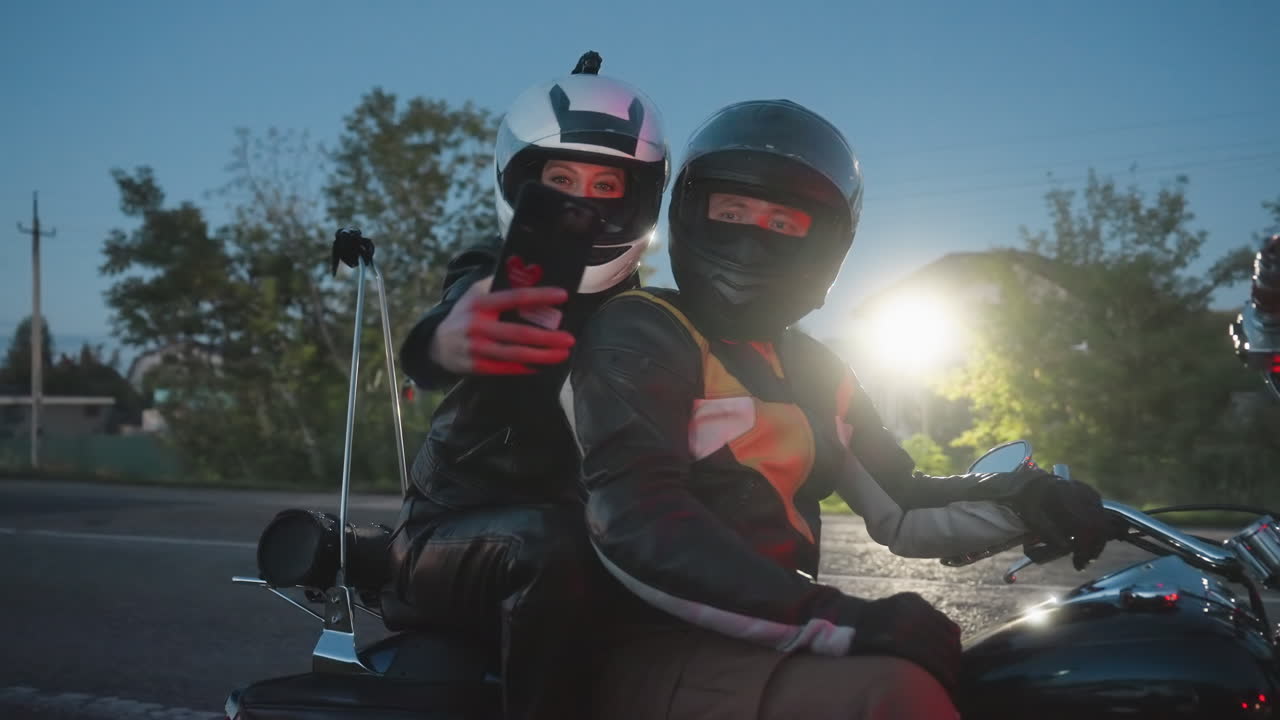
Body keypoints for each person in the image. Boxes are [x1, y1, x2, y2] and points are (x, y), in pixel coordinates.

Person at [559, 98, 1113, 719]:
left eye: (781, 223)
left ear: (824, 242)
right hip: (653, 648)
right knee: (898, 696)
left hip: (768, 641)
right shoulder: (640, 331)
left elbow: (901, 502)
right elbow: (635, 520)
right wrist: (832, 617)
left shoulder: (815, 370)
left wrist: (1028, 498)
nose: (749, 240)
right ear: (691, 211)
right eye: (732, 210)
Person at [379, 51, 669, 720]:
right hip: (451, 537)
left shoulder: (650, 316)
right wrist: (450, 336)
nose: (582, 201)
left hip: (586, 540)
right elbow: (445, 329)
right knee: (551, 541)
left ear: (640, 195)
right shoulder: (495, 271)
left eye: (606, 187)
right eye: (561, 179)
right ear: (521, 183)